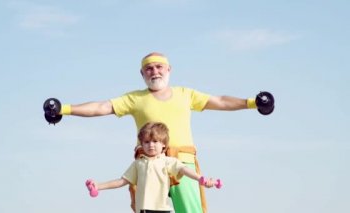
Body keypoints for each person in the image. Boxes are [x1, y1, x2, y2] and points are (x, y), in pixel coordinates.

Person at [43, 52, 274, 213]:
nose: (154, 71)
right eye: (148, 68)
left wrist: (253, 102)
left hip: (182, 163)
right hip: (148, 165)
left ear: (169, 69)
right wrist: (63, 109)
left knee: (191, 211)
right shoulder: (135, 98)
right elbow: (102, 107)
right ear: (142, 73)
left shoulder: (186, 94)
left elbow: (221, 101)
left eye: (159, 66)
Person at [85, 122, 220, 213]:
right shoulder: (139, 163)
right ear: (141, 145)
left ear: (163, 145)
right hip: (143, 210)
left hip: (162, 209)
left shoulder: (167, 161)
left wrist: (201, 178)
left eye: (155, 141)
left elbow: (184, 169)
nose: (151, 145)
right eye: (147, 142)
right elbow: (122, 181)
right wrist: (99, 186)